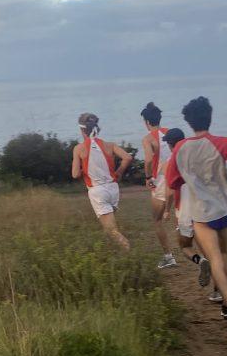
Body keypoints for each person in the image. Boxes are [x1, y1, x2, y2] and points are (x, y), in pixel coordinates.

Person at [166, 97, 227, 338]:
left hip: (201, 211)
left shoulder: (181, 147)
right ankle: (226, 305)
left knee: (213, 257)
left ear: (189, 122)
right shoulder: (223, 142)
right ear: (210, 117)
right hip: (224, 207)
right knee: (224, 254)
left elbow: (173, 181)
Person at [162, 128, 218, 298]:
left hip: (185, 209)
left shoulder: (171, 162)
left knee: (185, 246)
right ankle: (218, 291)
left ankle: (200, 261)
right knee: (210, 250)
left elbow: (170, 191)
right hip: (205, 207)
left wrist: (166, 210)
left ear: (171, 145)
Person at [72, 112, 133, 250]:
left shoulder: (79, 149)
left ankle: (129, 252)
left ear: (82, 130)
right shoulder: (109, 145)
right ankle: (113, 254)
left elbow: (75, 174)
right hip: (113, 189)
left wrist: (85, 171)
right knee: (108, 228)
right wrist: (118, 172)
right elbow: (127, 158)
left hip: (98, 192)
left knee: (112, 231)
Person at [140, 102, 177, 269]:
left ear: (147, 122)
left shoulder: (148, 138)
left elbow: (148, 159)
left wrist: (148, 176)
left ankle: (169, 256)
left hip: (161, 181)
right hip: (178, 178)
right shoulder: (171, 133)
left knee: (157, 220)